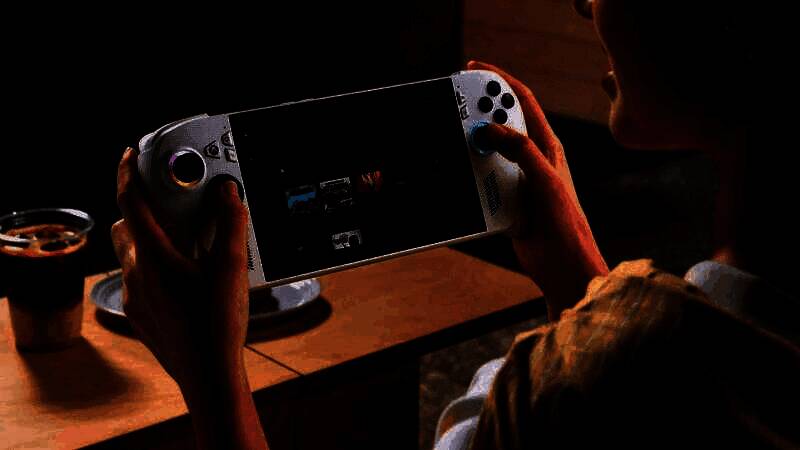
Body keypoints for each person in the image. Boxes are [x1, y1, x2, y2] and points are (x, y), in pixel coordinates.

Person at [112, 1, 798, 450]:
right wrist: (585, 286)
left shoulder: (602, 379)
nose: (584, 3)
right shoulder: (711, 352)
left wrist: (212, 382)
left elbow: (622, 394)